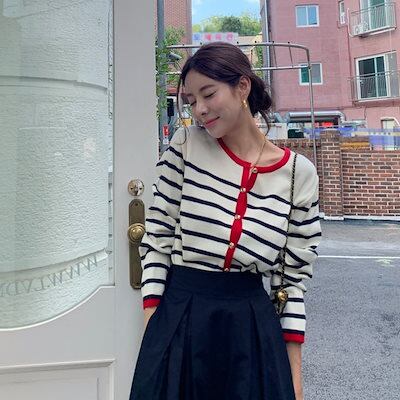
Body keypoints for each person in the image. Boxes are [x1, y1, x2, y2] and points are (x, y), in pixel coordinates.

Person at [130, 42, 321, 400]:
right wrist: (154, 334)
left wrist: (294, 378)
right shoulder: (185, 146)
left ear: (242, 87)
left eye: (208, 94)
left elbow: (291, 283)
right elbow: (157, 240)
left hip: (252, 331)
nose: (200, 110)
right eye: (191, 101)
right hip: (181, 320)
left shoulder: (299, 174)